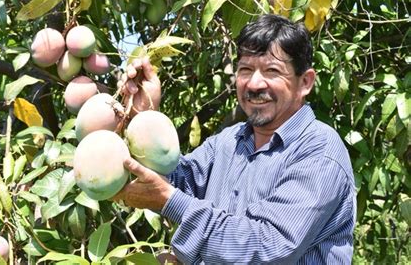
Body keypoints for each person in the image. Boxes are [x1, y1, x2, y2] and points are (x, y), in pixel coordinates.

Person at [114, 14, 356, 264]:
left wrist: (171, 201)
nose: (254, 84)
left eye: (272, 71)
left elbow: (267, 246)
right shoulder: (230, 141)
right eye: (246, 70)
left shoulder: (319, 151)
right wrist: (142, 116)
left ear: (305, 82)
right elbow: (173, 180)